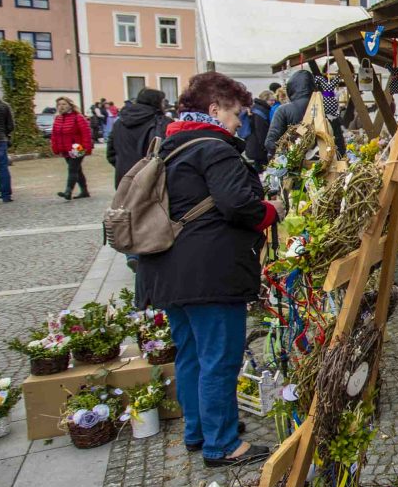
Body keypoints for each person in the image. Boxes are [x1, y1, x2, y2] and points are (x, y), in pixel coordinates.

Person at [137, 72, 283, 467]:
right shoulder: (215, 149)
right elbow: (239, 205)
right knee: (219, 357)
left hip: (168, 270)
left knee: (191, 355)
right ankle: (222, 444)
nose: (239, 124)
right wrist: (272, 211)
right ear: (214, 110)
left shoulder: (171, 144)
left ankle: (198, 431)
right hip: (208, 273)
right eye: (236, 115)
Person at [265, 69, 345, 158]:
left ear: (291, 88)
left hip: (294, 164)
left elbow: (270, 143)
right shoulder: (328, 108)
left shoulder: (283, 110)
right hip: (326, 162)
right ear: (313, 86)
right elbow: (340, 144)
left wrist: (290, 156)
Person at [107, 89, 172, 188]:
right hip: (151, 180)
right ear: (157, 102)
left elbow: (111, 152)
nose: (165, 105)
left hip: (125, 178)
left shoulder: (119, 122)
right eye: (163, 102)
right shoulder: (162, 122)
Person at [51, 97, 93, 201]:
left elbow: (86, 133)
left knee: (72, 169)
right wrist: (55, 148)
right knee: (77, 170)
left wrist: (86, 148)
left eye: (64, 104)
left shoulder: (78, 117)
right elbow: (54, 135)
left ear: (70, 105)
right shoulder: (58, 119)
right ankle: (84, 191)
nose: (61, 107)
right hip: (65, 148)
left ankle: (68, 191)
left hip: (77, 147)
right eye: (59, 104)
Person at [246, 90, 273, 171]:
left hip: (254, 144)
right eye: (271, 100)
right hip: (259, 147)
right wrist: (265, 147)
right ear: (265, 99)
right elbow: (261, 131)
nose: (273, 102)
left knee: (258, 166)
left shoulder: (257, 108)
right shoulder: (260, 111)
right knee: (261, 169)